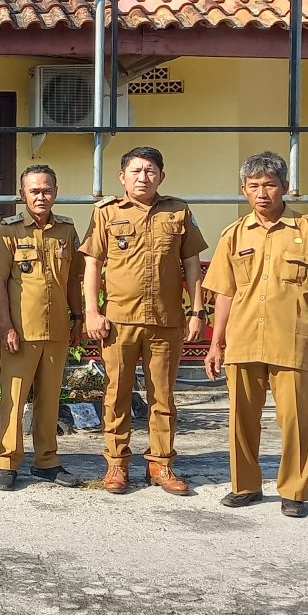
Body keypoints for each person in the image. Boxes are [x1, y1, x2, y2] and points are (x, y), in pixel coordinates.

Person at [203, 152, 308, 518]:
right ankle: (245, 485)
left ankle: (294, 491)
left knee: (297, 421)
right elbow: (224, 293)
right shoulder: (233, 234)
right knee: (240, 419)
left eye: (269, 185)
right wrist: (216, 343)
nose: (261, 193)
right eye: (253, 186)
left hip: (293, 341)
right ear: (244, 190)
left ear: (284, 187)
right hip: (243, 340)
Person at [81, 146, 207, 496]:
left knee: (163, 396)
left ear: (161, 176)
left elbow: (192, 265)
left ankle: (160, 464)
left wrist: (197, 310)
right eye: (135, 171)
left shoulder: (178, 211)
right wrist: (92, 311)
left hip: (166, 320)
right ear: (122, 177)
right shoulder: (106, 213)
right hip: (119, 320)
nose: (143, 177)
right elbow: (92, 264)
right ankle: (117, 464)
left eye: (150, 171)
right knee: (117, 393)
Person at [0, 165, 83, 492]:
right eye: (34, 191)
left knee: (50, 399)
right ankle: (7, 461)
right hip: (21, 331)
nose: (41, 196)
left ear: (56, 192)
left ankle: (47, 461)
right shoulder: (8, 231)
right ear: (22, 194)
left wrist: (78, 317)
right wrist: (5, 324)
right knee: (13, 398)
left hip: (56, 330)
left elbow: (73, 279)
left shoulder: (66, 230)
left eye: (47, 190)